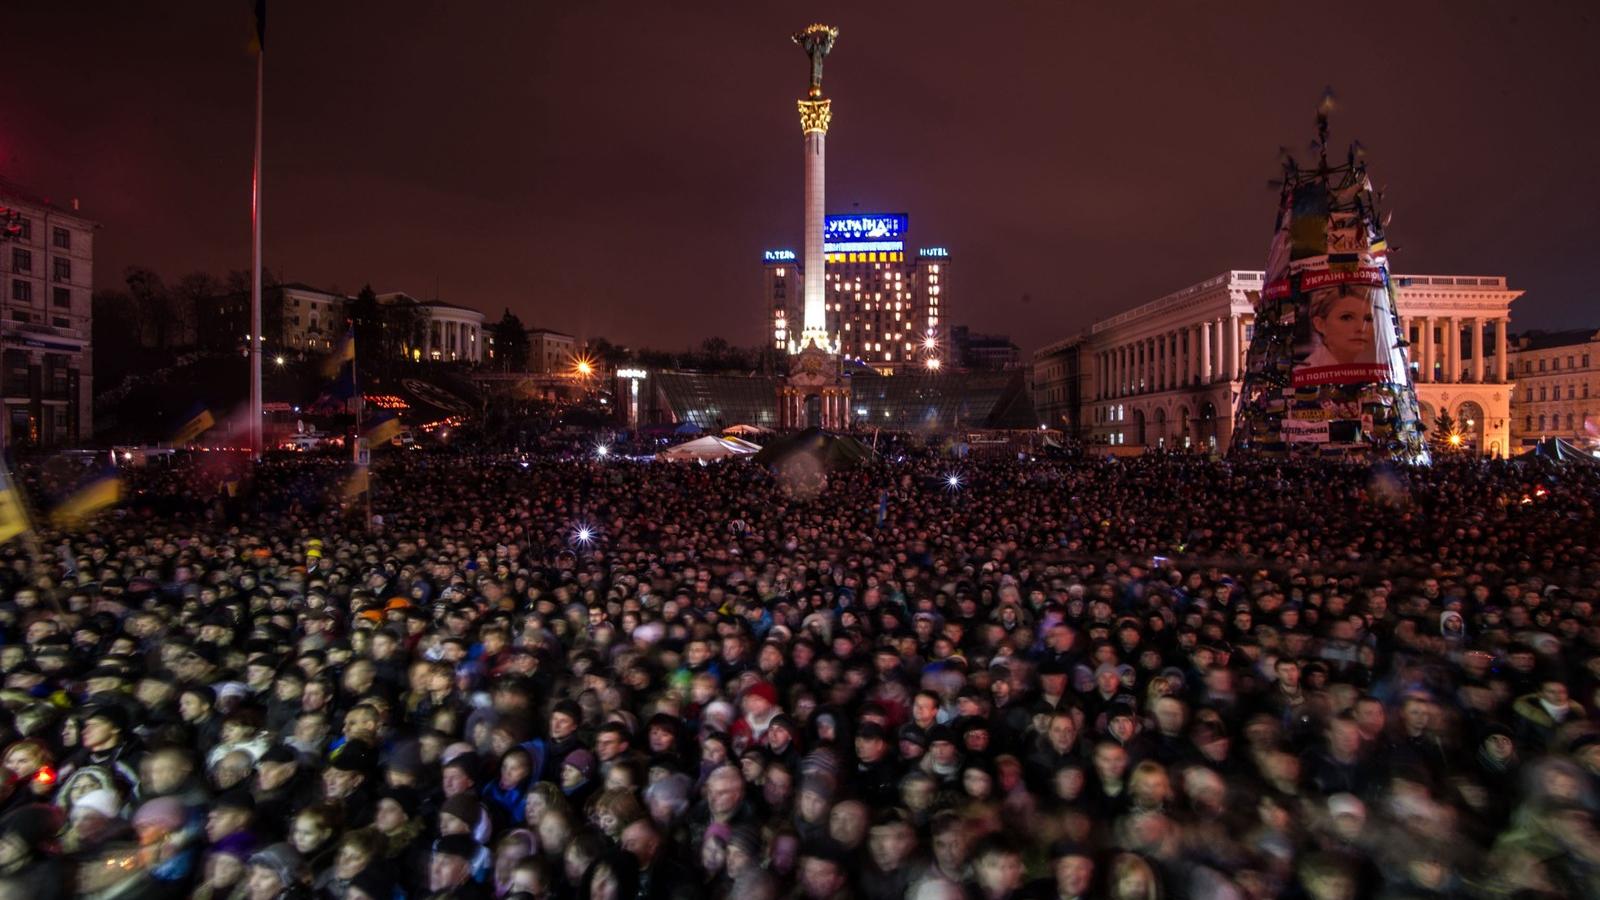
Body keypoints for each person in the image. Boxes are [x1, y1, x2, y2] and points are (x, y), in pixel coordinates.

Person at [1303, 286, 1378, 368]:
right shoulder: (1308, 372)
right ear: (1320, 325)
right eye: (1346, 318)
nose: (1361, 328)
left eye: (1368, 319)